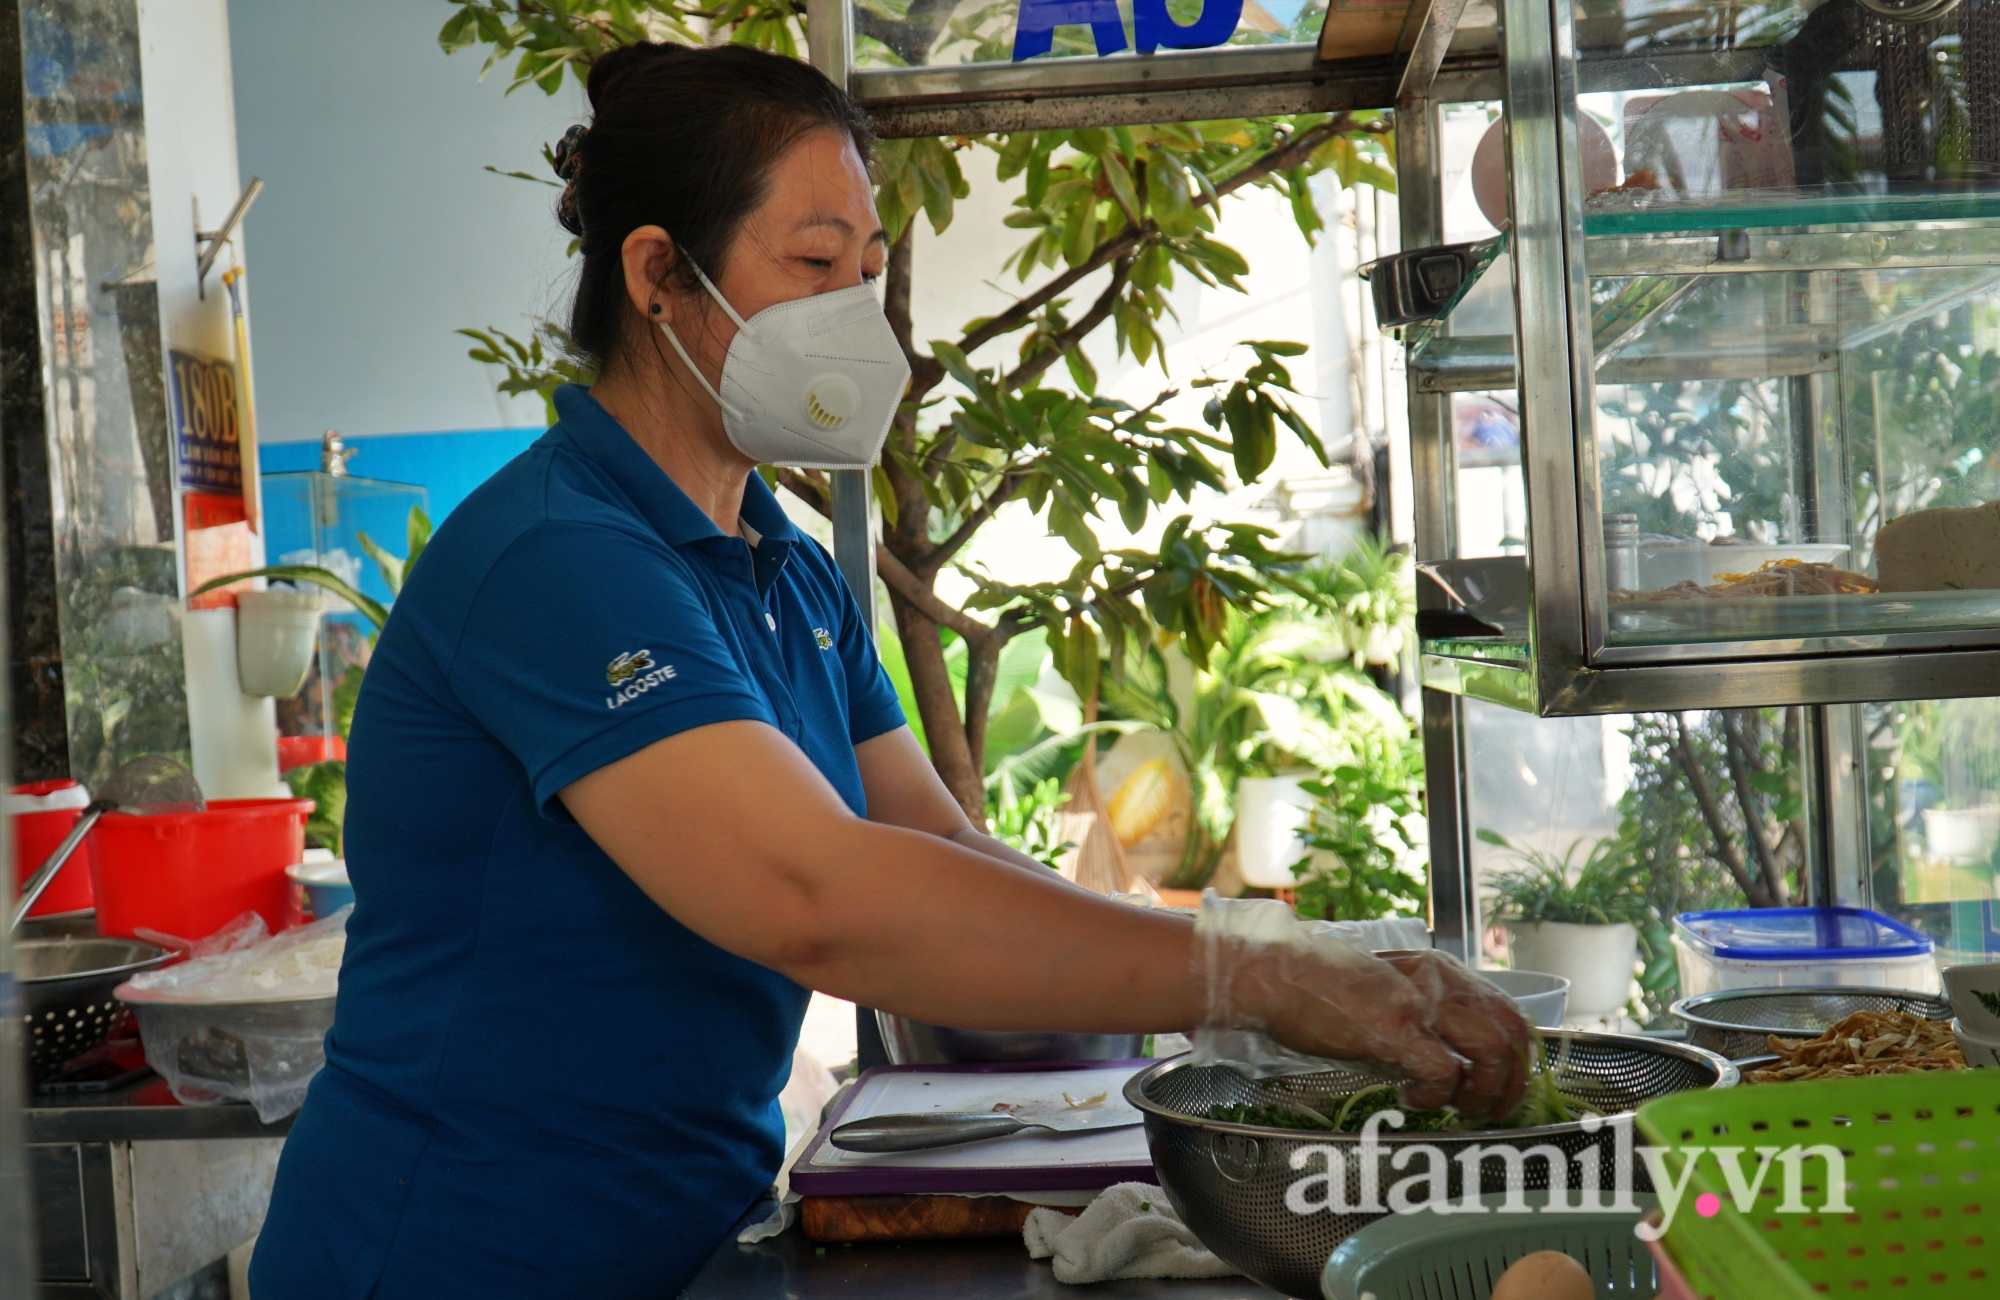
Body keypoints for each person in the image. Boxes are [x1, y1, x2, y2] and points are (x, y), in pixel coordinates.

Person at [249, 42, 1529, 1298]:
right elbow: (820, 895)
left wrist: (1277, 950)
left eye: (867, 271)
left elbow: (941, 844)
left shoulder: (785, 569)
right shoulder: (556, 557)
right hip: (451, 1250)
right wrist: (1246, 978)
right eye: (813, 265)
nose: (858, 317)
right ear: (656, 274)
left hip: (684, 1236)